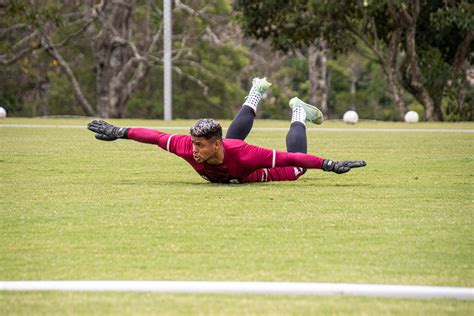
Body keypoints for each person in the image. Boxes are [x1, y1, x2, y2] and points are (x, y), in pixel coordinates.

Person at [87, 77, 366, 183]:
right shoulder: (190, 146)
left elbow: (291, 158)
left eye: (200, 145)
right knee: (230, 138)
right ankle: (256, 91)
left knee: (297, 170)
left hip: (269, 174)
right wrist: (119, 131)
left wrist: (329, 164)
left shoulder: (244, 154)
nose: (193, 149)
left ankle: (298, 112)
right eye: (194, 143)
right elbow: (157, 138)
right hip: (228, 149)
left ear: (215, 144)